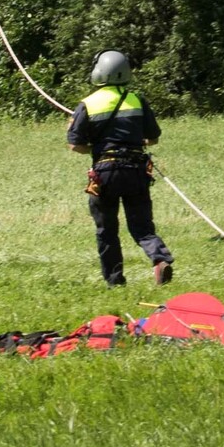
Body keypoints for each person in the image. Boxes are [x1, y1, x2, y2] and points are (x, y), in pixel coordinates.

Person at [67, 50, 173, 290]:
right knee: (142, 226)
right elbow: (153, 138)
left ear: (99, 70)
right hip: (136, 170)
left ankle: (115, 281)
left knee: (107, 229)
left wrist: (97, 147)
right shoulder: (137, 100)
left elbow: (75, 145)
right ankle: (159, 259)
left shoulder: (87, 104)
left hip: (105, 172)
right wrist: (133, 143)